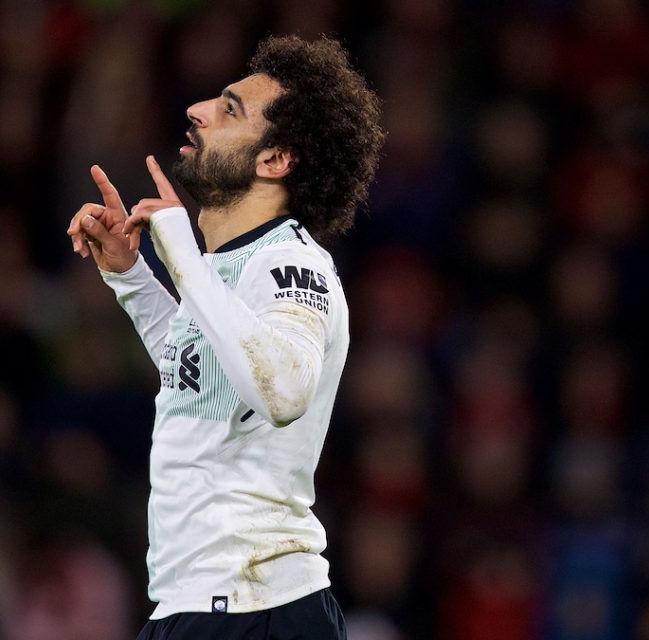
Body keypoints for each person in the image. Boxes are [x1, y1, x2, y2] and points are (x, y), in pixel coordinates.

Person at [66, 35, 383, 639]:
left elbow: (284, 392)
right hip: (201, 602)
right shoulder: (224, 270)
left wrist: (179, 248)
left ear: (274, 161)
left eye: (230, 109)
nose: (199, 110)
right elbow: (201, 381)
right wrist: (133, 277)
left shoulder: (294, 265)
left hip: (253, 605)